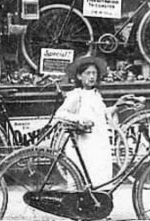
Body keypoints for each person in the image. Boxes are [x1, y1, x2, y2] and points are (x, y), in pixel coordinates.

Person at [55, 55, 137, 188]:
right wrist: (80, 119)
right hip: (82, 144)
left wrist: (117, 105)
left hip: (98, 143)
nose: (92, 76)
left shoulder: (96, 95)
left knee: (99, 178)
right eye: (88, 73)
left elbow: (102, 115)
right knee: (80, 179)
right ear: (79, 77)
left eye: (94, 73)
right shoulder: (77, 95)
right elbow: (60, 114)